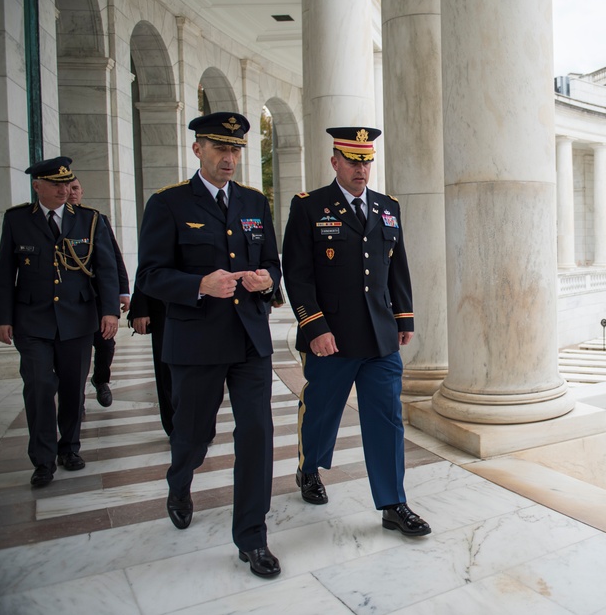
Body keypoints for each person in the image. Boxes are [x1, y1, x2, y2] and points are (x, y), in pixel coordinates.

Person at [135, 112, 282, 578]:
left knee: (257, 435)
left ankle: (252, 537)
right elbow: (151, 276)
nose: (230, 158)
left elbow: (273, 266)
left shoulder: (256, 203)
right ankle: (180, 483)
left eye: (236, 149)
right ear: (198, 149)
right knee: (193, 436)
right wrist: (200, 284)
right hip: (196, 341)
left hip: (249, 340)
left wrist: (266, 281)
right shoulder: (169, 204)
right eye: (220, 148)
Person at [281, 126, 430, 537]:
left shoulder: (387, 206)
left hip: (380, 336)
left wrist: (404, 319)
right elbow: (297, 274)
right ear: (335, 162)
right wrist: (314, 327)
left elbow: (397, 266)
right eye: (352, 160)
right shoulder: (309, 206)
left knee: (386, 419)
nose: (361, 168)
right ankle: (308, 469)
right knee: (323, 411)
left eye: (366, 160)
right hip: (331, 338)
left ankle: (393, 503)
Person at [0, 157, 119, 487]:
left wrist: (109, 311)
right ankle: (42, 459)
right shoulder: (17, 220)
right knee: (39, 386)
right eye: (55, 184)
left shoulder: (89, 221)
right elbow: (6, 273)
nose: (64, 190)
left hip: (77, 319)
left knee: (71, 387)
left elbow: (106, 269)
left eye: (67, 184)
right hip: (32, 320)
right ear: (37, 186)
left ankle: (69, 448)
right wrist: (3, 318)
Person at [66, 178, 129, 410]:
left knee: (105, 344)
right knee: (75, 350)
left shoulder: (95, 220)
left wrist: (123, 291)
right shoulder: (58, 222)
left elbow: (113, 258)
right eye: (67, 188)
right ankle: (76, 393)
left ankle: (100, 379)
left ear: (82, 192)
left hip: (99, 296)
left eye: (75, 188)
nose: (71, 193)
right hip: (72, 299)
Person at [127, 286, 172, 435]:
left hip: (209, 306)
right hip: (165, 306)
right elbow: (146, 268)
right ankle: (175, 427)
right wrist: (140, 308)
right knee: (167, 372)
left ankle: (202, 427)